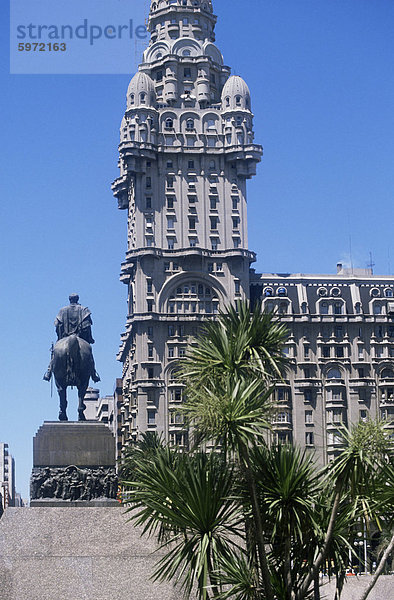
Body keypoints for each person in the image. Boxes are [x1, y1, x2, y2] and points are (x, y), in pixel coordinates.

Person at [43, 294, 100, 382]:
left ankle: (49, 371)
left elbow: (57, 325)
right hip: (80, 337)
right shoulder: (84, 310)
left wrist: (60, 337)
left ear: (69, 300)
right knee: (90, 354)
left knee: (54, 354)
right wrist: (89, 338)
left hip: (64, 336)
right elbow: (87, 326)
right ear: (77, 299)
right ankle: (93, 373)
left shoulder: (62, 311)